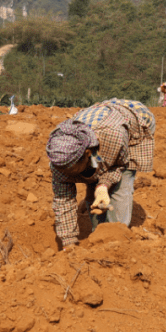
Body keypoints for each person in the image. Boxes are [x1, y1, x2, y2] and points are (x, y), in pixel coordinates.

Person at [46, 98, 156, 249]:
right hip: (98, 125)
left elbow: (119, 165)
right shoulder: (60, 161)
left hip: (134, 121)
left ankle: (117, 239)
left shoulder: (112, 136)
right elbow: (63, 202)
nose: (68, 175)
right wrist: (68, 242)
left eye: (71, 170)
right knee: (94, 188)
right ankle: (98, 236)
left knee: (121, 187)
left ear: (87, 153)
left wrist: (104, 185)